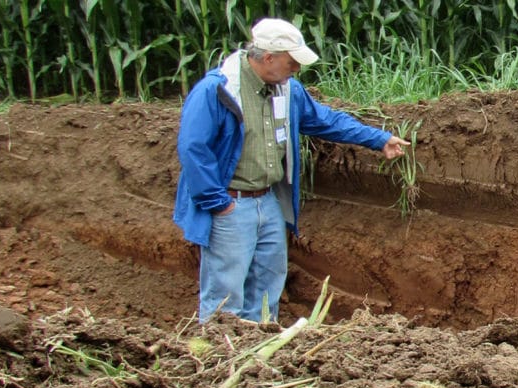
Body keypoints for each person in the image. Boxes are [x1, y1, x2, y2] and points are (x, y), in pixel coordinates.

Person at [173, 18, 409, 322]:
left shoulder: (287, 90)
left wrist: (379, 139)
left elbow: (326, 121)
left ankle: (259, 359)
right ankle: (222, 360)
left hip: (268, 202)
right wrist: (219, 204)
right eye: (291, 61)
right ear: (268, 57)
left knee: (267, 288)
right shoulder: (218, 90)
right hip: (232, 205)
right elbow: (194, 149)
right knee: (224, 296)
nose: (296, 68)